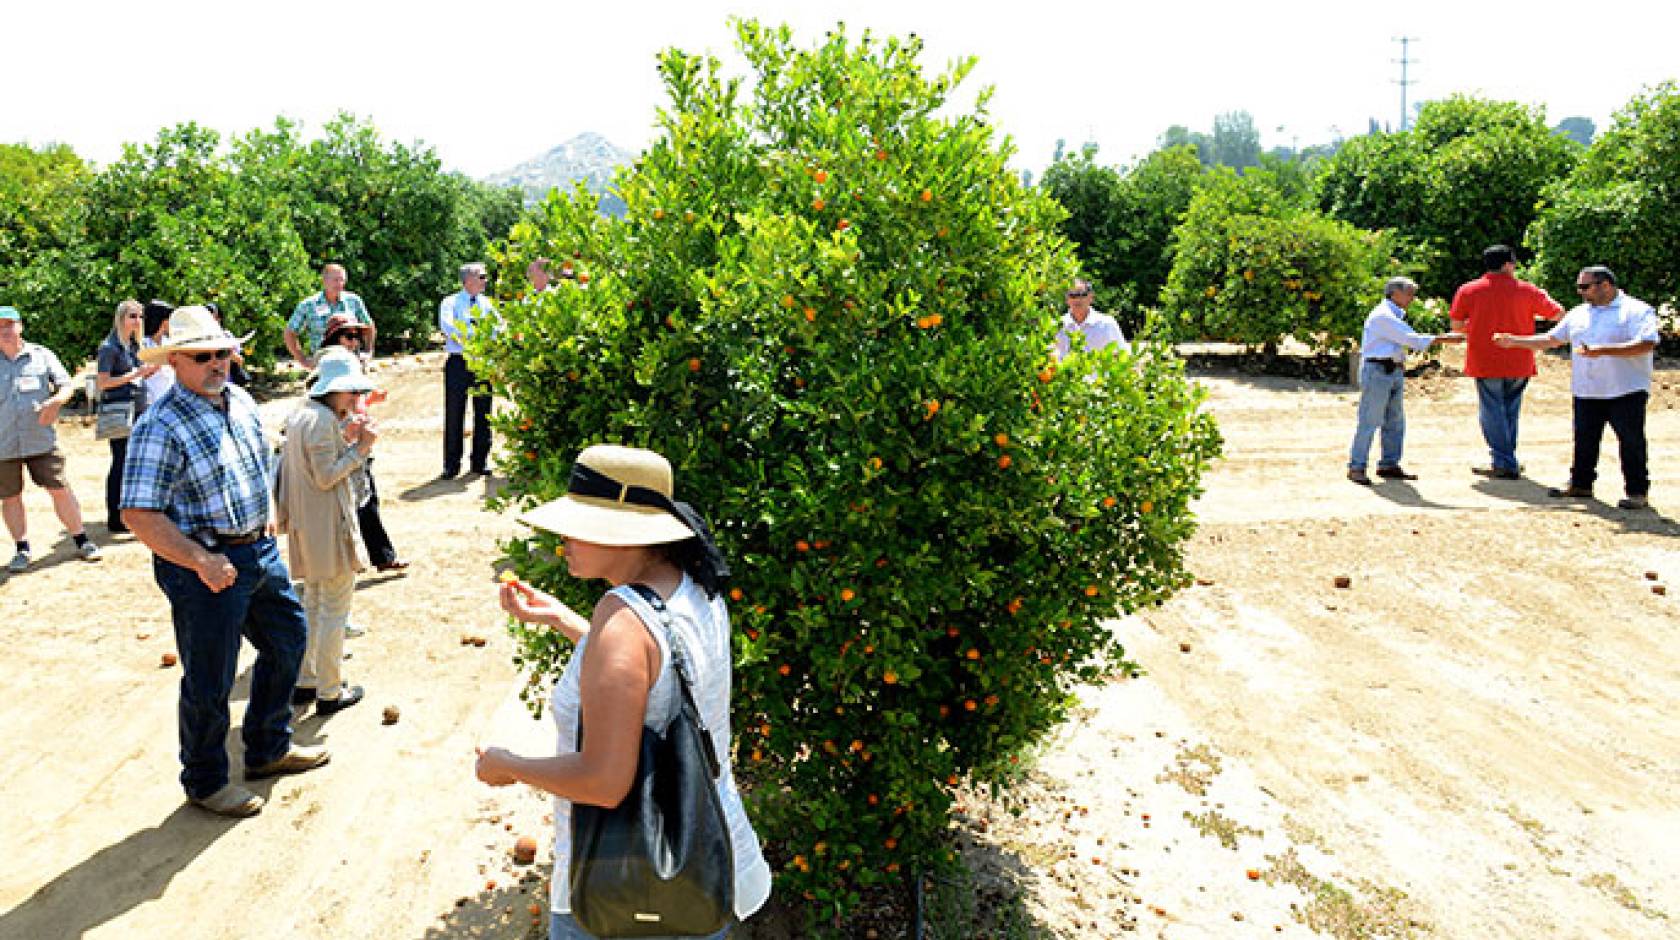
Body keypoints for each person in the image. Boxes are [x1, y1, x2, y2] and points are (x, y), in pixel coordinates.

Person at [474, 445, 772, 939]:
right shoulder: (696, 586)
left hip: (628, 888)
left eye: (578, 525)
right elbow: (658, 673)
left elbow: (605, 781)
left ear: (625, 535)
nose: (563, 539)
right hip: (706, 861)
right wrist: (562, 621)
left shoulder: (623, 620)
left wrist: (507, 764)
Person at [121, 305, 329, 817]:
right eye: (201, 356)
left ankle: (267, 747)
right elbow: (137, 513)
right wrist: (200, 561)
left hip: (256, 549)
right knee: (210, 678)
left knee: (287, 642)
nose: (217, 363)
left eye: (222, 352)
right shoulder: (159, 425)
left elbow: (258, 463)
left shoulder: (238, 398)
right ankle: (206, 781)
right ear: (174, 361)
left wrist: (269, 517)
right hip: (203, 566)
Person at [1493, 265, 1659, 509]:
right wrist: (1515, 341)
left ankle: (1637, 491)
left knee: (1631, 441)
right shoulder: (1580, 313)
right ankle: (1581, 484)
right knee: (1584, 439)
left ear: (1605, 285)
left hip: (1626, 389)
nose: (1581, 292)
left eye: (1585, 287)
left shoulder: (1636, 310)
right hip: (1587, 389)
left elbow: (1647, 343)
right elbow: (1552, 339)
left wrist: (1603, 351)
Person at [276, 349, 375, 715]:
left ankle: (307, 680)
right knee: (333, 610)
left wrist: (347, 442)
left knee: (314, 606)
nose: (355, 399)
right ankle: (330, 691)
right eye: (352, 392)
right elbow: (326, 476)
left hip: (307, 528)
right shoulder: (320, 421)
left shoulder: (303, 414)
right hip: (328, 529)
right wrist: (361, 449)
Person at [1, 306, 103, 571]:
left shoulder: (41, 355)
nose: (5, 331)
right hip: (3, 442)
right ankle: (21, 549)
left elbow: (66, 385)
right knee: (10, 497)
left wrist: (56, 402)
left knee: (59, 488)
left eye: (9, 324)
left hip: (40, 438)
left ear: (20, 326)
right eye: (0, 326)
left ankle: (82, 540)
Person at [1449, 245, 1564, 479]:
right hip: (1520, 357)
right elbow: (1559, 313)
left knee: (1492, 411)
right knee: (1510, 411)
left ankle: (1503, 461)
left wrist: (1478, 326)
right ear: (1507, 264)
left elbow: (1457, 327)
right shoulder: (1528, 290)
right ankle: (1506, 458)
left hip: (1484, 359)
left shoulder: (1468, 290)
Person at [1346, 277, 1465, 485]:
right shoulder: (1383, 316)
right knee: (1370, 419)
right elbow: (1412, 339)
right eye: (1409, 292)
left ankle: (1388, 464)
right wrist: (1445, 338)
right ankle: (1357, 466)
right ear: (1394, 293)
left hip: (1390, 370)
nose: (1412, 297)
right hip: (1378, 370)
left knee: (1394, 420)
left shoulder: (1391, 314)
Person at [320, 313, 407, 572]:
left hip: (359, 438)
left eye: (357, 336)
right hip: (345, 440)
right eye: (349, 336)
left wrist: (367, 403)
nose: (354, 341)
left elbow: (352, 400)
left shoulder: (350, 363)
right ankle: (367, 558)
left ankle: (380, 557)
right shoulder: (327, 365)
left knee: (366, 499)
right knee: (350, 502)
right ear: (335, 338)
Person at [95, 300, 160, 533]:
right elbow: (103, 382)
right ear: (121, 317)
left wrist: (148, 372)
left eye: (140, 316)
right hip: (120, 411)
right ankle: (115, 517)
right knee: (121, 461)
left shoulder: (134, 346)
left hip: (137, 408)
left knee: (132, 462)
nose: (138, 321)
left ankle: (127, 515)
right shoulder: (109, 347)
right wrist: (135, 374)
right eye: (133, 316)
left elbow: (137, 377)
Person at [439, 262, 497, 479]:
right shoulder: (450, 302)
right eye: (481, 277)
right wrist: (475, 339)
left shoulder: (487, 304)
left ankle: (480, 461)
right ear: (468, 280)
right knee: (455, 413)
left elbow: (498, 327)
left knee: (484, 412)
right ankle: (451, 464)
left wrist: (486, 341)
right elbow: (448, 327)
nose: (485, 281)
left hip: (481, 362)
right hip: (459, 361)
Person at [286, 263, 376, 370]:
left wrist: (368, 352)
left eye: (342, 280)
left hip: (352, 363)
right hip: (322, 364)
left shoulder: (354, 301)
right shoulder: (308, 305)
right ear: (324, 281)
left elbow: (369, 326)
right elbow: (290, 332)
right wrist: (303, 360)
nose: (339, 283)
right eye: (335, 280)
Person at [1053, 279, 1130, 361]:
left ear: (1091, 297)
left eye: (1082, 294)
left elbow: (1124, 354)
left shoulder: (1107, 324)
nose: (1077, 299)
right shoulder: (1057, 326)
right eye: (1073, 295)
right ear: (1067, 299)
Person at [140, 300, 177, 411]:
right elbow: (138, 375)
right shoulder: (143, 344)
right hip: (149, 403)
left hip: (170, 401)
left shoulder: (169, 343)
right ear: (162, 321)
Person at [204, 303, 250, 387]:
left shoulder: (226, 335)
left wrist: (226, 352)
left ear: (219, 319)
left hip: (226, 382)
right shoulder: (198, 337)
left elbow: (239, 360)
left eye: (212, 316)